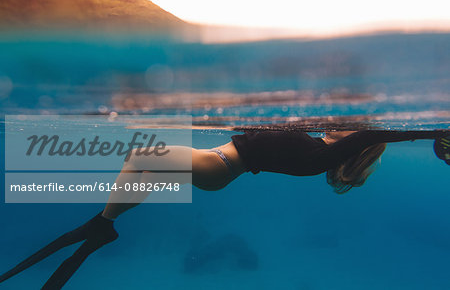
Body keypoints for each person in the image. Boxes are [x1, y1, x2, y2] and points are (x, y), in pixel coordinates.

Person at [1, 129, 449, 289]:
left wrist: (437, 130)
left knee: (140, 158)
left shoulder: (328, 155)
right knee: (144, 165)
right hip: (220, 166)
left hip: (221, 165)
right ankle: (104, 225)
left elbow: (388, 132)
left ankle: (103, 223)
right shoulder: (317, 146)